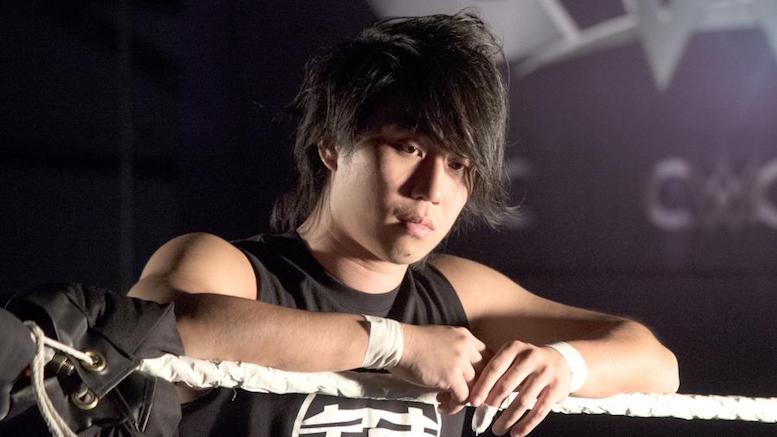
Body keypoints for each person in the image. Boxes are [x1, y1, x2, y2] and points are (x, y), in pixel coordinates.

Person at [129, 11, 679, 437]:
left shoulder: (456, 294)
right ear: (332, 145)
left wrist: (565, 365)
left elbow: (657, 366)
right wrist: (395, 346)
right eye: (409, 147)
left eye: (458, 164)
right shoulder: (232, 269)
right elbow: (155, 330)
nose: (432, 189)